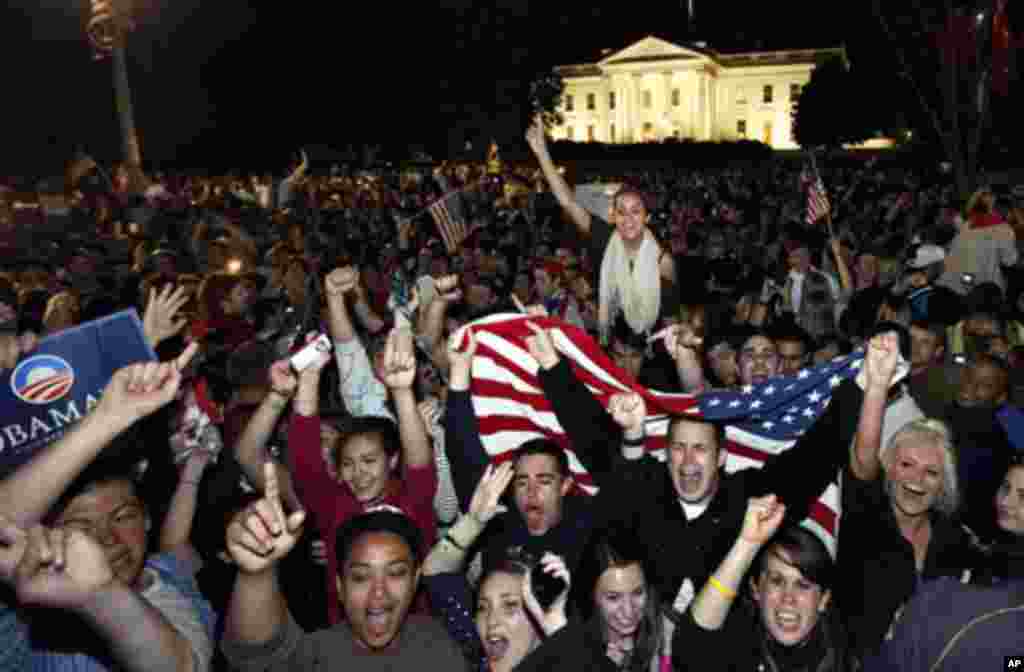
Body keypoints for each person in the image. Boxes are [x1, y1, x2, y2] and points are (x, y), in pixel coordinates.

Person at [0, 345, 216, 671]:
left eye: (122, 516)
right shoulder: (25, 616)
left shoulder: (171, 581)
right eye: (81, 526)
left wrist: (103, 595)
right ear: (43, 536)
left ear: (146, 519)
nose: (108, 538)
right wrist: (109, 418)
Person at [220, 475, 468, 671]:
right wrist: (256, 574)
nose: (379, 593)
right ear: (340, 586)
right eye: (360, 576)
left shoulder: (437, 644)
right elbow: (258, 656)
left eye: (395, 573)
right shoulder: (318, 656)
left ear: (415, 581)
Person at [285, 327, 437, 624]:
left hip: (412, 636)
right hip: (347, 641)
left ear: (392, 460)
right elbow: (304, 460)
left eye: (369, 460)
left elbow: (420, 462)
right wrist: (309, 378)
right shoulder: (334, 504)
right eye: (348, 464)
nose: (359, 473)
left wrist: (402, 391)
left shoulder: (410, 498)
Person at [838, 333, 974, 657]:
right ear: (888, 467)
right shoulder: (864, 518)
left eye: (931, 472)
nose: (916, 480)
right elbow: (863, 457)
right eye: (907, 465)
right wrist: (877, 386)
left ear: (944, 484)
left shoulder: (957, 540)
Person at [525, 117, 677, 344]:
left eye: (636, 211)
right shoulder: (605, 239)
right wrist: (542, 153)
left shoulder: (662, 262)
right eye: (622, 212)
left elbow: (671, 315)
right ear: (613, 217)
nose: (628, 219)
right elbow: (568, 202)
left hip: (646, 350)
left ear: (646, 216)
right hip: (609, 345)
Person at [673, 495, 856, 672]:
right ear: (756, 589)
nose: (788, 598)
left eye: (803, 585)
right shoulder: (736, 645)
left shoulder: (845, 653)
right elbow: (689, 649)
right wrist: (746, 544)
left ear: (823, 599)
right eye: (777, 581)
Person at [421, 462, 569, 672]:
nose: (492, 621)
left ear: (541, 617)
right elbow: (435, 573)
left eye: (510, 606)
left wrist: (558, 630)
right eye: (482, 608)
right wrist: (472, 523)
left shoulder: (572, 661)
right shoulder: (479, 658)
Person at [515, 524, 663, 672]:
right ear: (593, 597)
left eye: (638, 593)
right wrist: (558, 629)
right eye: (613, 598)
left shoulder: (665, 639)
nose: (628, 610)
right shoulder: (575, 638)